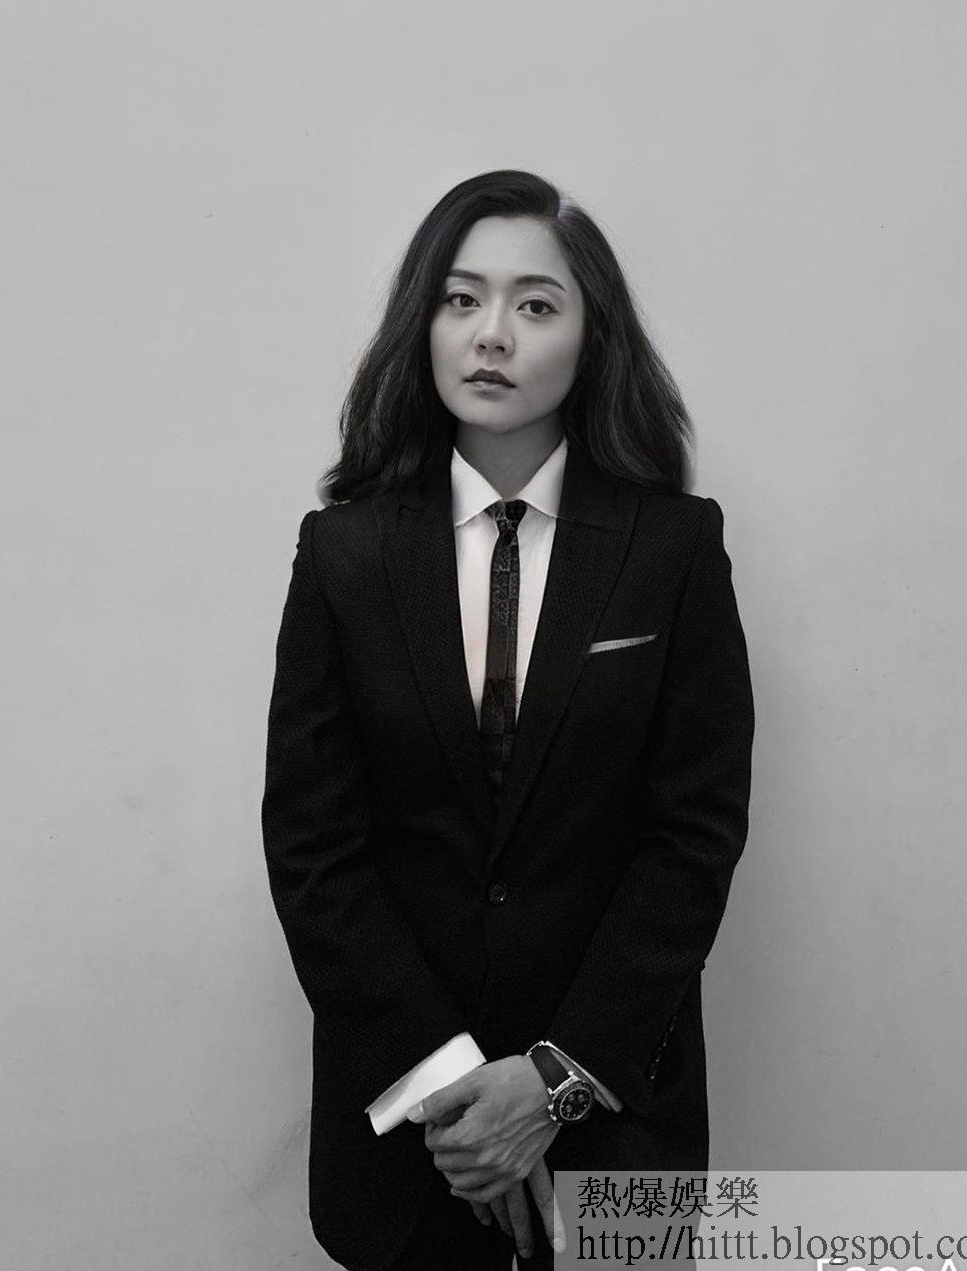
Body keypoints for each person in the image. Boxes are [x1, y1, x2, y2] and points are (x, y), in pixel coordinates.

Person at [261, 169, 755, 1271]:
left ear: (592, 338)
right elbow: (313, 845)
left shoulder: (672, 548)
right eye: (461, 298)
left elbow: (693, 834)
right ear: (424, 324)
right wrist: (456, 1095)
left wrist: (553, 1081)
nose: (492, 334)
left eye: (535, 304)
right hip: (410, 1138)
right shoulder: (345, 554)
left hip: (615, 1111)